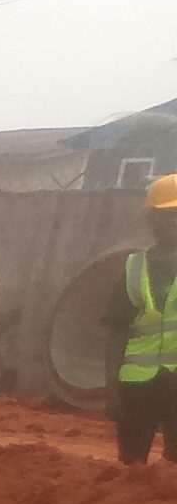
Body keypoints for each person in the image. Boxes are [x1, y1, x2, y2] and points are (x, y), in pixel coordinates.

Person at [105, 174, 177, 465]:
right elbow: (117, 332)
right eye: (168, 215)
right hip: (137, 387)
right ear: (151, 219)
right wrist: (111, 392)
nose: (174, 222)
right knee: (131, 470)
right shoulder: (133, 268)